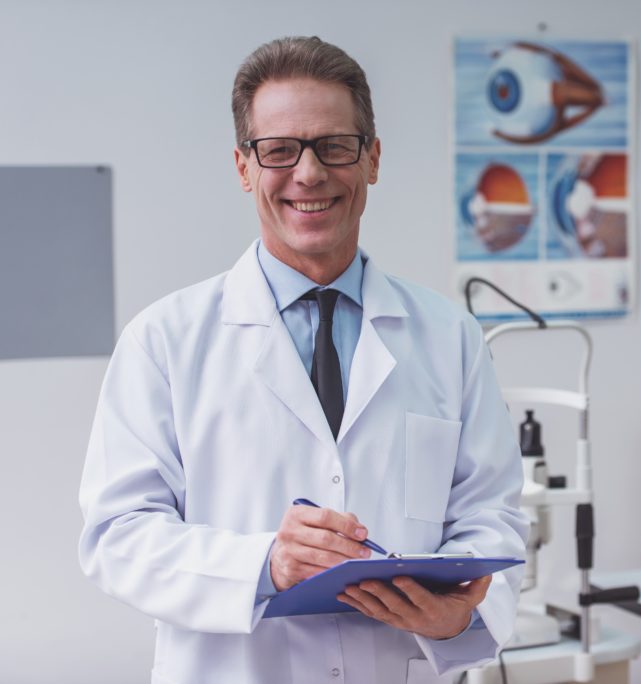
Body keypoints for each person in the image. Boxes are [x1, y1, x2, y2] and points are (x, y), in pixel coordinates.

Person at [78, 36, 528, 684]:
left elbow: (492, 515)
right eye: (279, 150)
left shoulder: (448, 336)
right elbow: (117, 537)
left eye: (333, 146)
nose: (309, 173)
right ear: (243, 167)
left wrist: (458, 618)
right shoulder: (164, 340)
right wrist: (264, 563)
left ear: (372, 159)